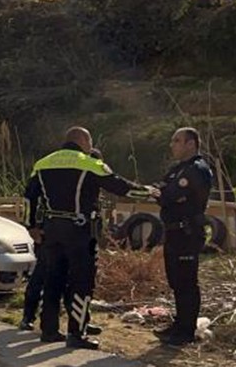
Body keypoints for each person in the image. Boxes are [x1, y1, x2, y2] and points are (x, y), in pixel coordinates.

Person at [23, 126, 151, 349]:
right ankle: (76, 333)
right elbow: (121, 187)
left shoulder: (43, 163)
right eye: (90, 142)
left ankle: (49, 330)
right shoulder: (89, 162)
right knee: (82, 281)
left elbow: (28, 199)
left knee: (52, 280)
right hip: (79, 230)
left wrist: (31, 226)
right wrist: (150, 192)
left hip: (51, 229)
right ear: (83, 141)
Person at [20, 147, 108, 335]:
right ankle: (28, 316)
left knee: (75, 282)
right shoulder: (61, 181)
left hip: (78, 238)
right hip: (49, 234)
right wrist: (33, 226)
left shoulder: (88, 185)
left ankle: (80, 321)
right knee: (43, 276)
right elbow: (30, 200)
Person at [153, 127, 214, 347]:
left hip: (188, 232)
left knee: (187, 281)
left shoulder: (197, 169)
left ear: (191, 144)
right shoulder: (177, 170)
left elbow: (170, 194)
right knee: (176, 281)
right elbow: (161, 191)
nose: (172, 144)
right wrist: (164, 194)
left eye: (177, 140)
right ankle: (179, 323)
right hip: (173, 231)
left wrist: (165, 195)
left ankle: (187, 331)